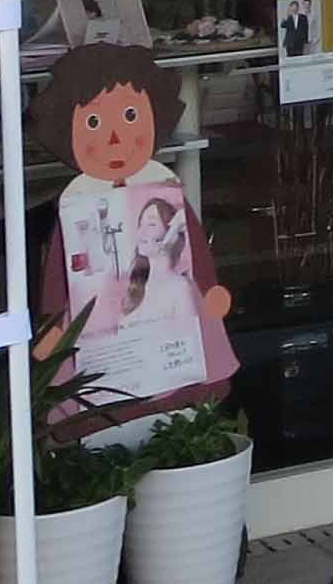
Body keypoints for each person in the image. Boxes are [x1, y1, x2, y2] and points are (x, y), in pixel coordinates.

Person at [36, 43, 239, 420]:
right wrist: (51, 327)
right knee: (91, 400)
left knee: (182, 381)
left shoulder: (164, 191)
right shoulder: (76, 203)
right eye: (94, 122)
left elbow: (193, 250)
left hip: (168, 324)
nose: (115, 138)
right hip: (100, 328)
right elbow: (57, 277)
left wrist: (210, 292)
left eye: (130, 115)